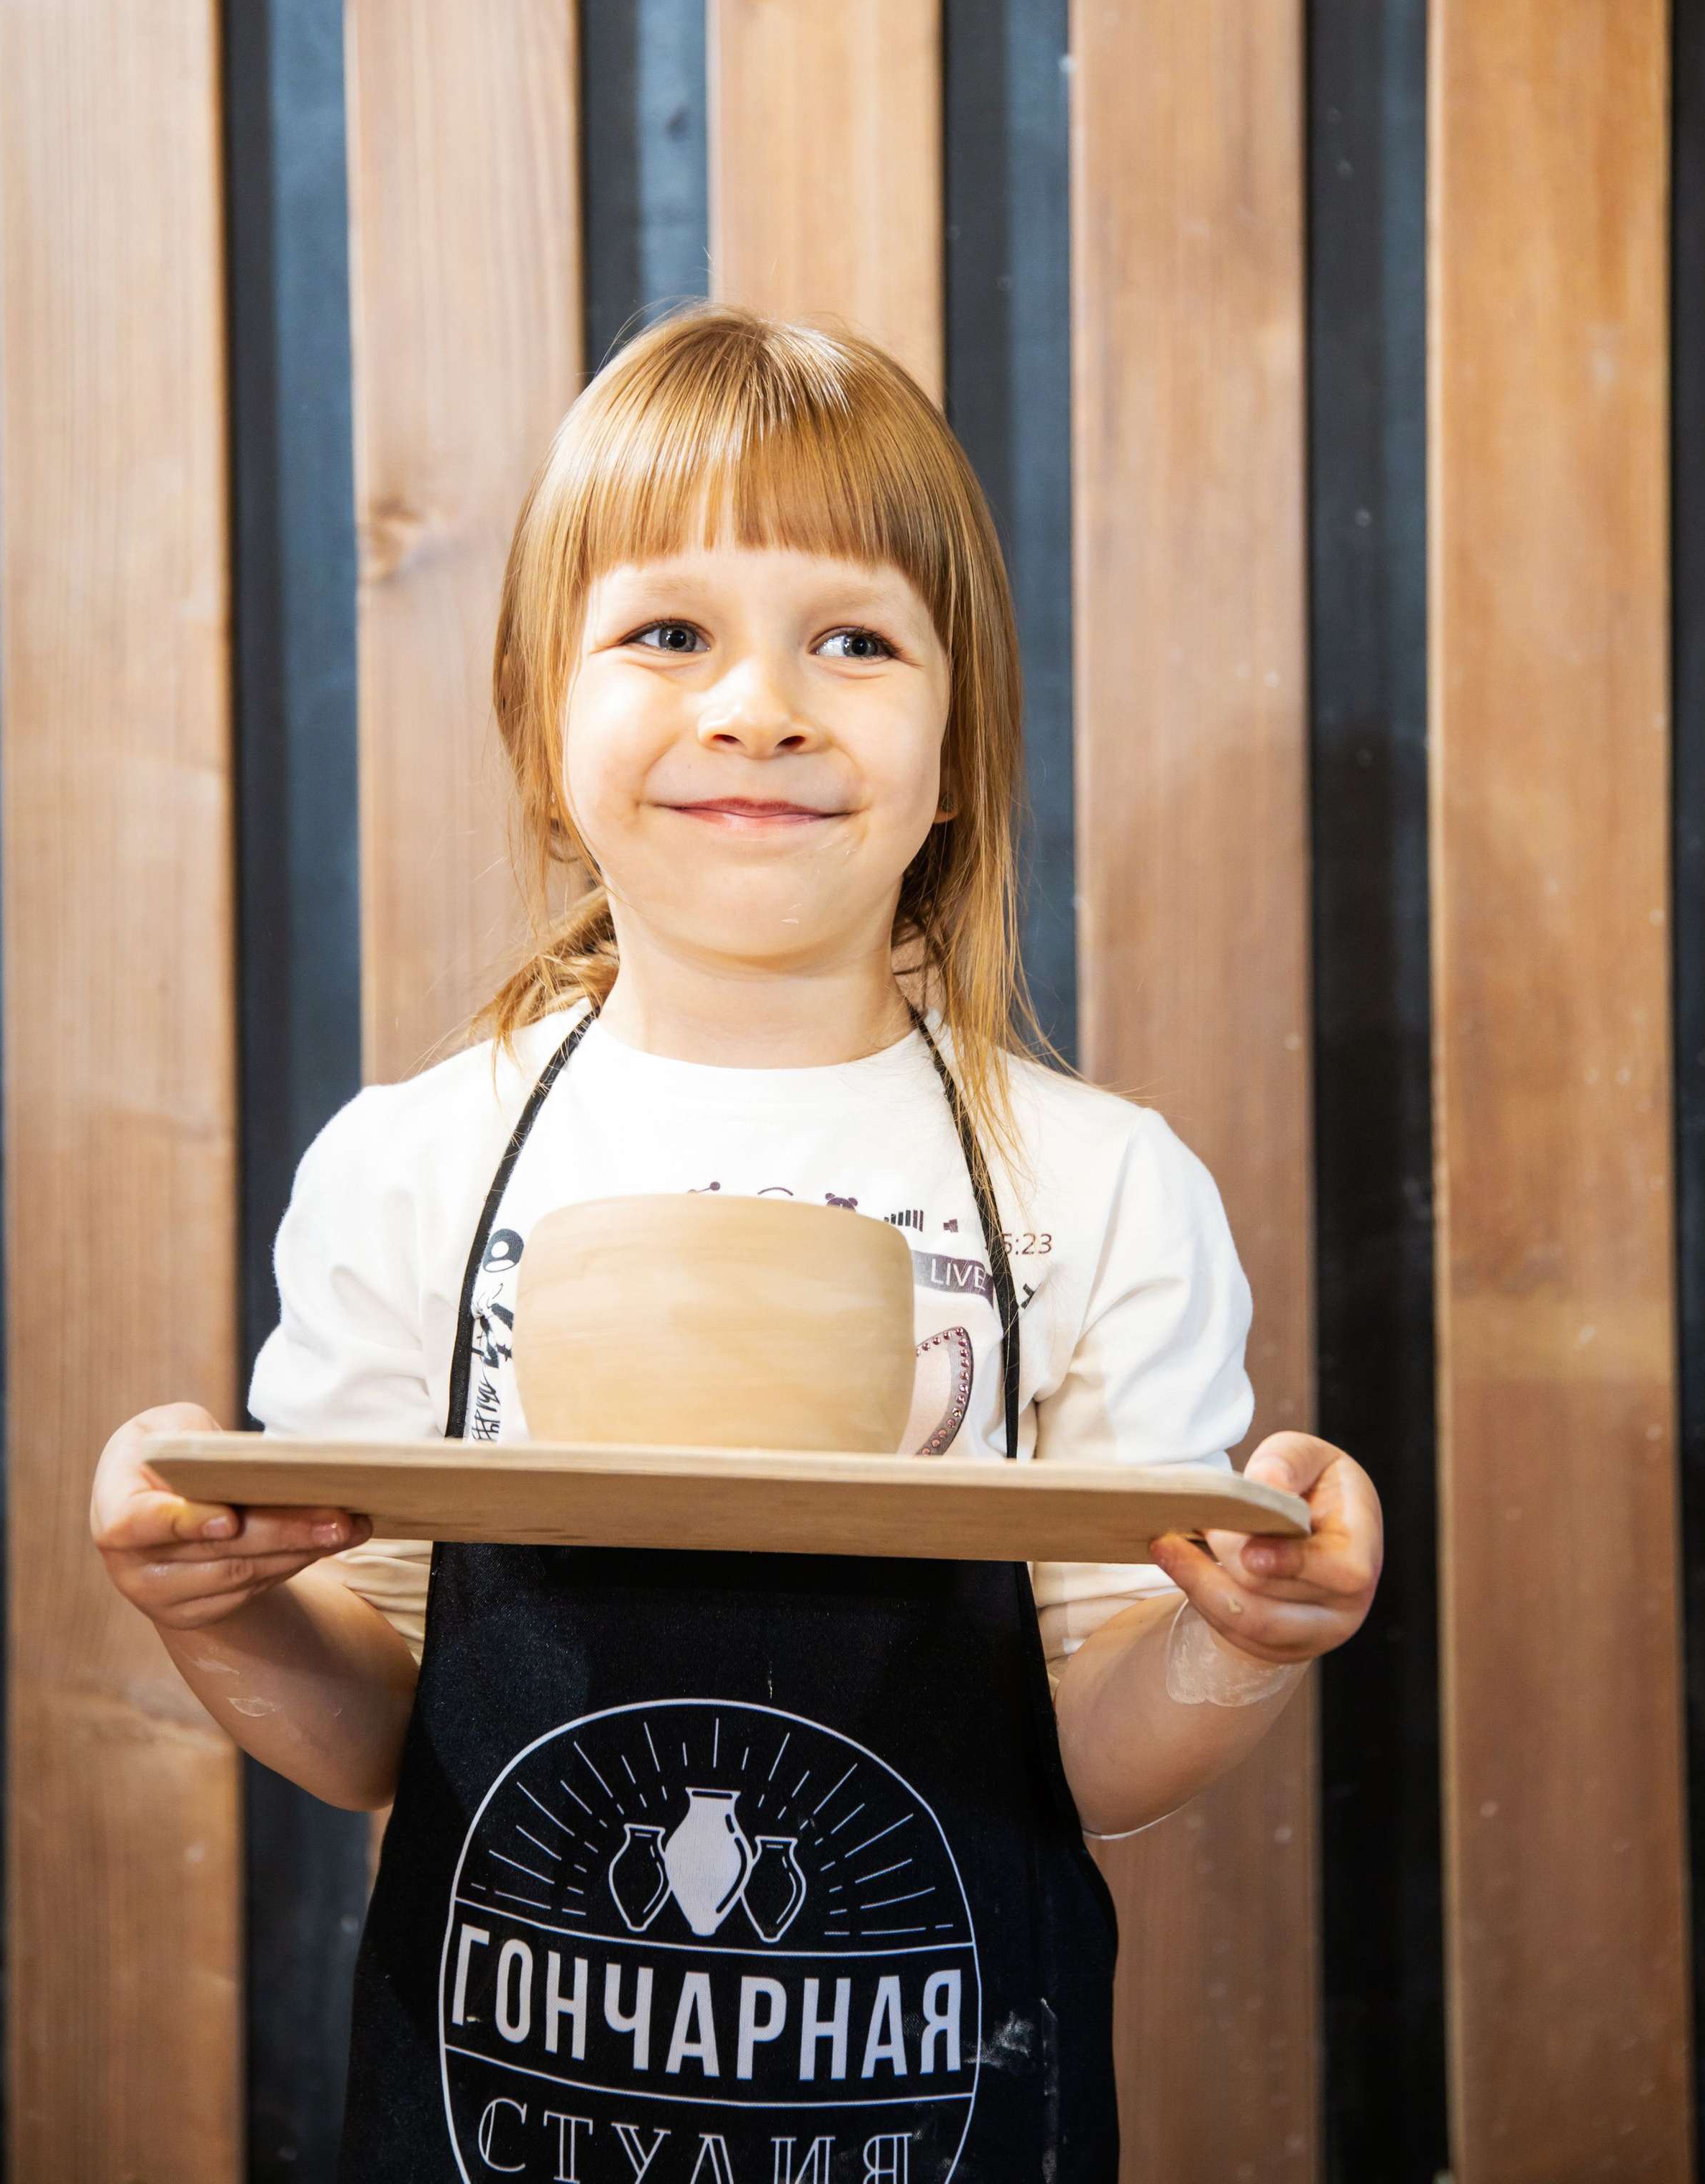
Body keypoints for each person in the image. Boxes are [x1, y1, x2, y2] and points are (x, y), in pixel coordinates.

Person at [91, 307, 1380, 2183]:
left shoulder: (1102, 1191)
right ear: (545, 724)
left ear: (959, 747)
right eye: (668, 635)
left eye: (852, 640)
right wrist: (207, 1604)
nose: (759, 702)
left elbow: (1092, 1759)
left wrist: (1242, 1644)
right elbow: (376, 1723)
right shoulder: (407, 1168)